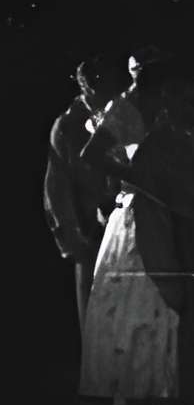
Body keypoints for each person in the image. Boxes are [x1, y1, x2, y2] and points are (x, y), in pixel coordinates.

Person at [77, 63, 194, 405]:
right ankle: (134, 389)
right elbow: (91, 154)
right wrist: (139, 178)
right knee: (142, 297)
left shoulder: (175, 109)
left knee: (171, 303)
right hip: (141, 208)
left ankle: (168, 390)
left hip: (175, 208)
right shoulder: (125, 108)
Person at [48, 54, 128, 333]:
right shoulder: (67, 126)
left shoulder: (121, 110)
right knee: (93, 306)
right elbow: (57, 187)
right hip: (87, 226)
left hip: (124, 217)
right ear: (85, 88)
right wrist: (73, 235)